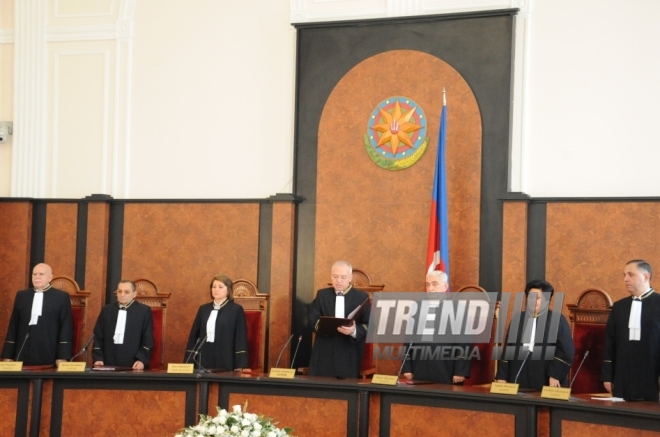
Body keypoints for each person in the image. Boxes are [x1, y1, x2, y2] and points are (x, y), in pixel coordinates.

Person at [495, 279, 574, 390]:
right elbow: (508, 349)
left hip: (545, 377)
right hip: (518, 374)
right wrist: (502, 376)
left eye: (537, 298)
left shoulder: (557, 320)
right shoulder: (518, 319)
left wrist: (555, 375)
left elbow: (566, 351)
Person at [601, 260, 660, 401]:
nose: (625, 279)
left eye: (631, 274)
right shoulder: (619, 307)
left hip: (653, 378)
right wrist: (608, 376)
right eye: (624, 275)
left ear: (646, 277)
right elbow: (610, 343)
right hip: (623, 378)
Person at [401, 270, 471, 384]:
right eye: (428, 285)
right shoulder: (418, 307)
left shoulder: (457, 308)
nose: (430, 288)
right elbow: (409, 339)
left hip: (446, 367)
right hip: (419, 366)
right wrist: (406, 366)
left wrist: (460, 371)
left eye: (435, 284)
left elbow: (464, 341)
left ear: (445, 286)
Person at [1, 263, 73, 366]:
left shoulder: (61, 297)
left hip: (49, 350)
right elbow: (13, 325)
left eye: (41, 274)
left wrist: (62, 356)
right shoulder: (22, 296)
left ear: (50, 277)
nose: (37, 277)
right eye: (34, 274)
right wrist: (8, 355)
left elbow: (66, 327)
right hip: (23, 351)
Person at [308, 261, 371, 378]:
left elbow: (370, 324)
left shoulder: (361, 297)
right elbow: (312, 319)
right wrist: (325, 326)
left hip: (349, 351)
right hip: (324, 350)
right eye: (335, 277)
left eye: (343, 277)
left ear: (350, 278)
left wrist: (354, 331)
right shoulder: (322, 295)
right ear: (331, 276)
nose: (339, 280)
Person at [184, 275, 249, 371]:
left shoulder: (236, 310)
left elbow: (240, 337)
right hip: (204, 357)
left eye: (220, 287)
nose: (216, 290)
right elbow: (195, 335)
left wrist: (240, 364)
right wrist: (189, 361)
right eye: (214, 287)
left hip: (226, 358)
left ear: (228, 290)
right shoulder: (204, 309)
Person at [92, 280, 154, 370]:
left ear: (134, 294)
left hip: (133, 363)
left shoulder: (143, 311)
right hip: (107, 363)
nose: (122, 294)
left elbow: (147, 339)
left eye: (127, 292)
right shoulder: (107, 310)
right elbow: (98, 336)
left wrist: (141, 359)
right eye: (119, 291)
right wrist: (98, 358)